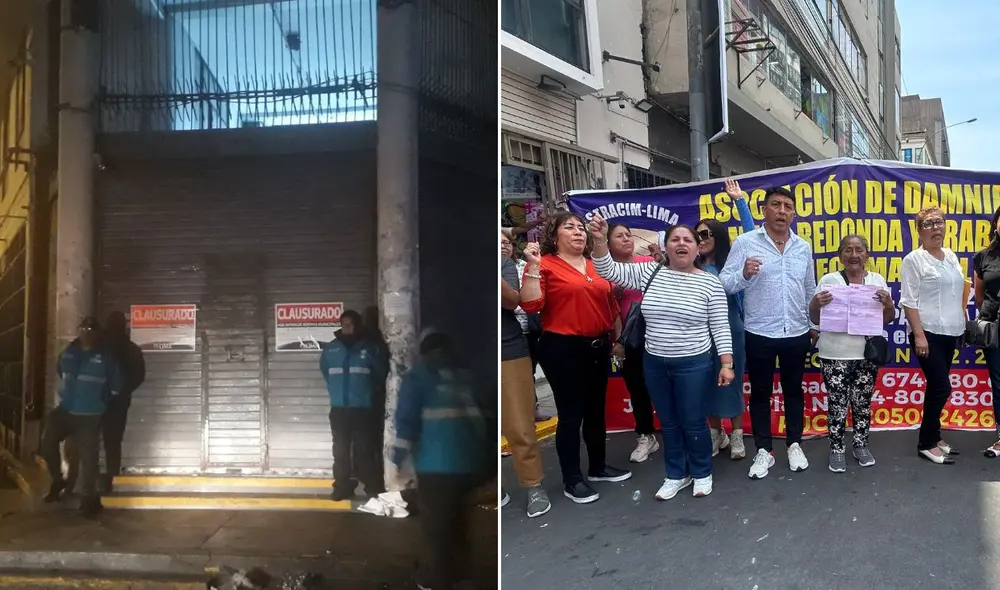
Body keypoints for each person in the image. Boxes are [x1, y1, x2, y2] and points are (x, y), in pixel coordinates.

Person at [591, 217, 734, 499]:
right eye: (675, 239)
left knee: (693, 421)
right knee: (668, 422)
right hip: (655, 363)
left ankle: (702, 472)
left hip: (694, 364)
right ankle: (675, 474)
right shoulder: (649, 273)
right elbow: (606, 268)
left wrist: (727, 364)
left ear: (697, 248)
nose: (681, 243)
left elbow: (720, 326)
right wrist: (598, 241)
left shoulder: (710, 283)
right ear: (666, 246)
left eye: (688, 240)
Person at [520, 211, 631, 505]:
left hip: (597, 346)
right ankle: (572, 479)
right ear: (554, 236)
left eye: (581, 228)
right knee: (571, 415)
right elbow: (531, 305)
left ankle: (597, 467)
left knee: (596, 410)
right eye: (569, 227)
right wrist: (532, 267)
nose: (578, 232)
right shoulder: (544, 265)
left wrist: (616, 339)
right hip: (562, 348)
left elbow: (611, 306)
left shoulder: (597, 266)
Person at [720, 185, 817, 480]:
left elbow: (808, 288)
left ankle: (794, 444)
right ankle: (764, 450)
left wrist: (813, 325)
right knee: (760, 392)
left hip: (797, 332)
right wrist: (743, 274)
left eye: (788, 206)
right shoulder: (746, 243)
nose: (782, 211)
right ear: (764, 210)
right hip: (759, 331)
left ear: (794, 213)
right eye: (776, 205)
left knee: (794, 392)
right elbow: (724, 283)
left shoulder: (803, 247)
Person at [391, 329, 492, 590]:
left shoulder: (419, 377)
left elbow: (406, 424)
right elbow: (488, 419)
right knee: (458, 523)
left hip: (436, 469)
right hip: (470, 464)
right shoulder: (466, 376)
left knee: (437, 530)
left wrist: (397, 461)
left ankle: (435, 581)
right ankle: (462, 576)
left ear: (424, 351)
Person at [810, 235, 894, 472]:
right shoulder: (829, 280)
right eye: (848, 250)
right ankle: (836, 449)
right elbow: (815, 318)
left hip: (866, 355)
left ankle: (860, 445)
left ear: (867, 254)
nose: (854, 255)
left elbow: (886, 319)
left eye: (859, 250)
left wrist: (888, 304)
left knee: (862, 404)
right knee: (837, 404)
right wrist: (816, 303)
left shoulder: (877, 280)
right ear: (840, 255)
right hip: (834, 353)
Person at [900, 206, 966, 464]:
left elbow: (957, 292)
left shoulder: (950, 256)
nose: (936, 227)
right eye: (928, 224)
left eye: (939, 222)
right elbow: (908, 301)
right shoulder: (913, 260)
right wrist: (918, 335)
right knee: (941, 387)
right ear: (919, 231)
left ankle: (935, 436)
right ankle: (926, 442)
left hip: (951, 332)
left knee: (936, 387)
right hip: (927, 333)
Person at [41, 317, 124, 516]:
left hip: (90, 414)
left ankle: (90, 499)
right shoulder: (69, 351)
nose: (85, 332)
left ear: (97, 333)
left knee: (89, 458)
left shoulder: (106, 356)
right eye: (82, 328)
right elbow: (60, 370)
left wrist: (102, 403)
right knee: (47, 443)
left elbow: (116, 384)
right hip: (66, 410)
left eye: (90, 329)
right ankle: (57, 481)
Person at [700, 179, 757, 461]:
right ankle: (715, 433)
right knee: (707, 381)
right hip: (699, 335)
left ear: (718, 236)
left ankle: (736, 434)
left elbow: (753, 237)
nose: (701, 239)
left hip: (732, 331)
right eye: (697, 234)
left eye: (706, 233)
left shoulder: (730, 265)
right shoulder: (689, 268)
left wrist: (740, 202)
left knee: (731, 381)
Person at [603, 222, 659, 464]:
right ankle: (646, 436)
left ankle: (682, 433)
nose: (626, 239)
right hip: (627, 341)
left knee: (666, 387)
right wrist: (618, 341)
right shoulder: (603, 271)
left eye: (628, 235)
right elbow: (608, 311)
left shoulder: (648, 264)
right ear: (607, 243)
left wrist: (661, 260)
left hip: (658, 336)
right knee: (637, 389)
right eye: (619, 236)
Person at [501, 252, 551, 517]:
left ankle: (534, 485)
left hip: (507, 351)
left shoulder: (502, 263)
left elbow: (511, 301)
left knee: (520, 425)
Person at [320, 310, 387, 499]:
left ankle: (371, 487)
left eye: (351, 323)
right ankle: (342, 487)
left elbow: (379, 375)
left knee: (364, 450)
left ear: (358, 325)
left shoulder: (371, 348)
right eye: (344, 324)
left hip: (362, 408)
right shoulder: (331, 349)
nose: (348, 327)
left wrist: (365, 393)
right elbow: (326, 373)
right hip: (339, 409)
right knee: (340, 451)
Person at [501, 230, 549, 422]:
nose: (504, 246)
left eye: (507, 243)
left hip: (530, 328)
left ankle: (531, 407)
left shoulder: (524, 265)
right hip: (511, 330)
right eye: (499, 243)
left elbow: (519, 299)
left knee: (527, 373)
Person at [101, 311, 146, 492]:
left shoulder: (98, 346)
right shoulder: (131, 348)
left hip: (93, 401)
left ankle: (88, 479)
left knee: (88, 440)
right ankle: (111, 478)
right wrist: (123, 391)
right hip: (118, 403)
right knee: (113, 442)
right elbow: (139, 376)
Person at [974, 207, 1000, 456]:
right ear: (996, 223)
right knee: (999, 384)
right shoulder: (983, 257)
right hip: (995, 331)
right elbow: (980, 297)